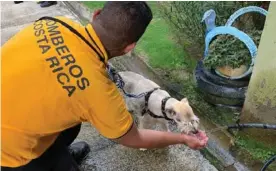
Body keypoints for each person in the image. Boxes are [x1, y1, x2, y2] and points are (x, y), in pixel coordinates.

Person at [1, 2, 208, 171]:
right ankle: (54, 161)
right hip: (10, 152)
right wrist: (183, 139)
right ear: (129, 48)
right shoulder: (100, 94)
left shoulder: (55, 22)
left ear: (96, 14)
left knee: (74, 116)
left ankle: (58, 149)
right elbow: (135, 138)